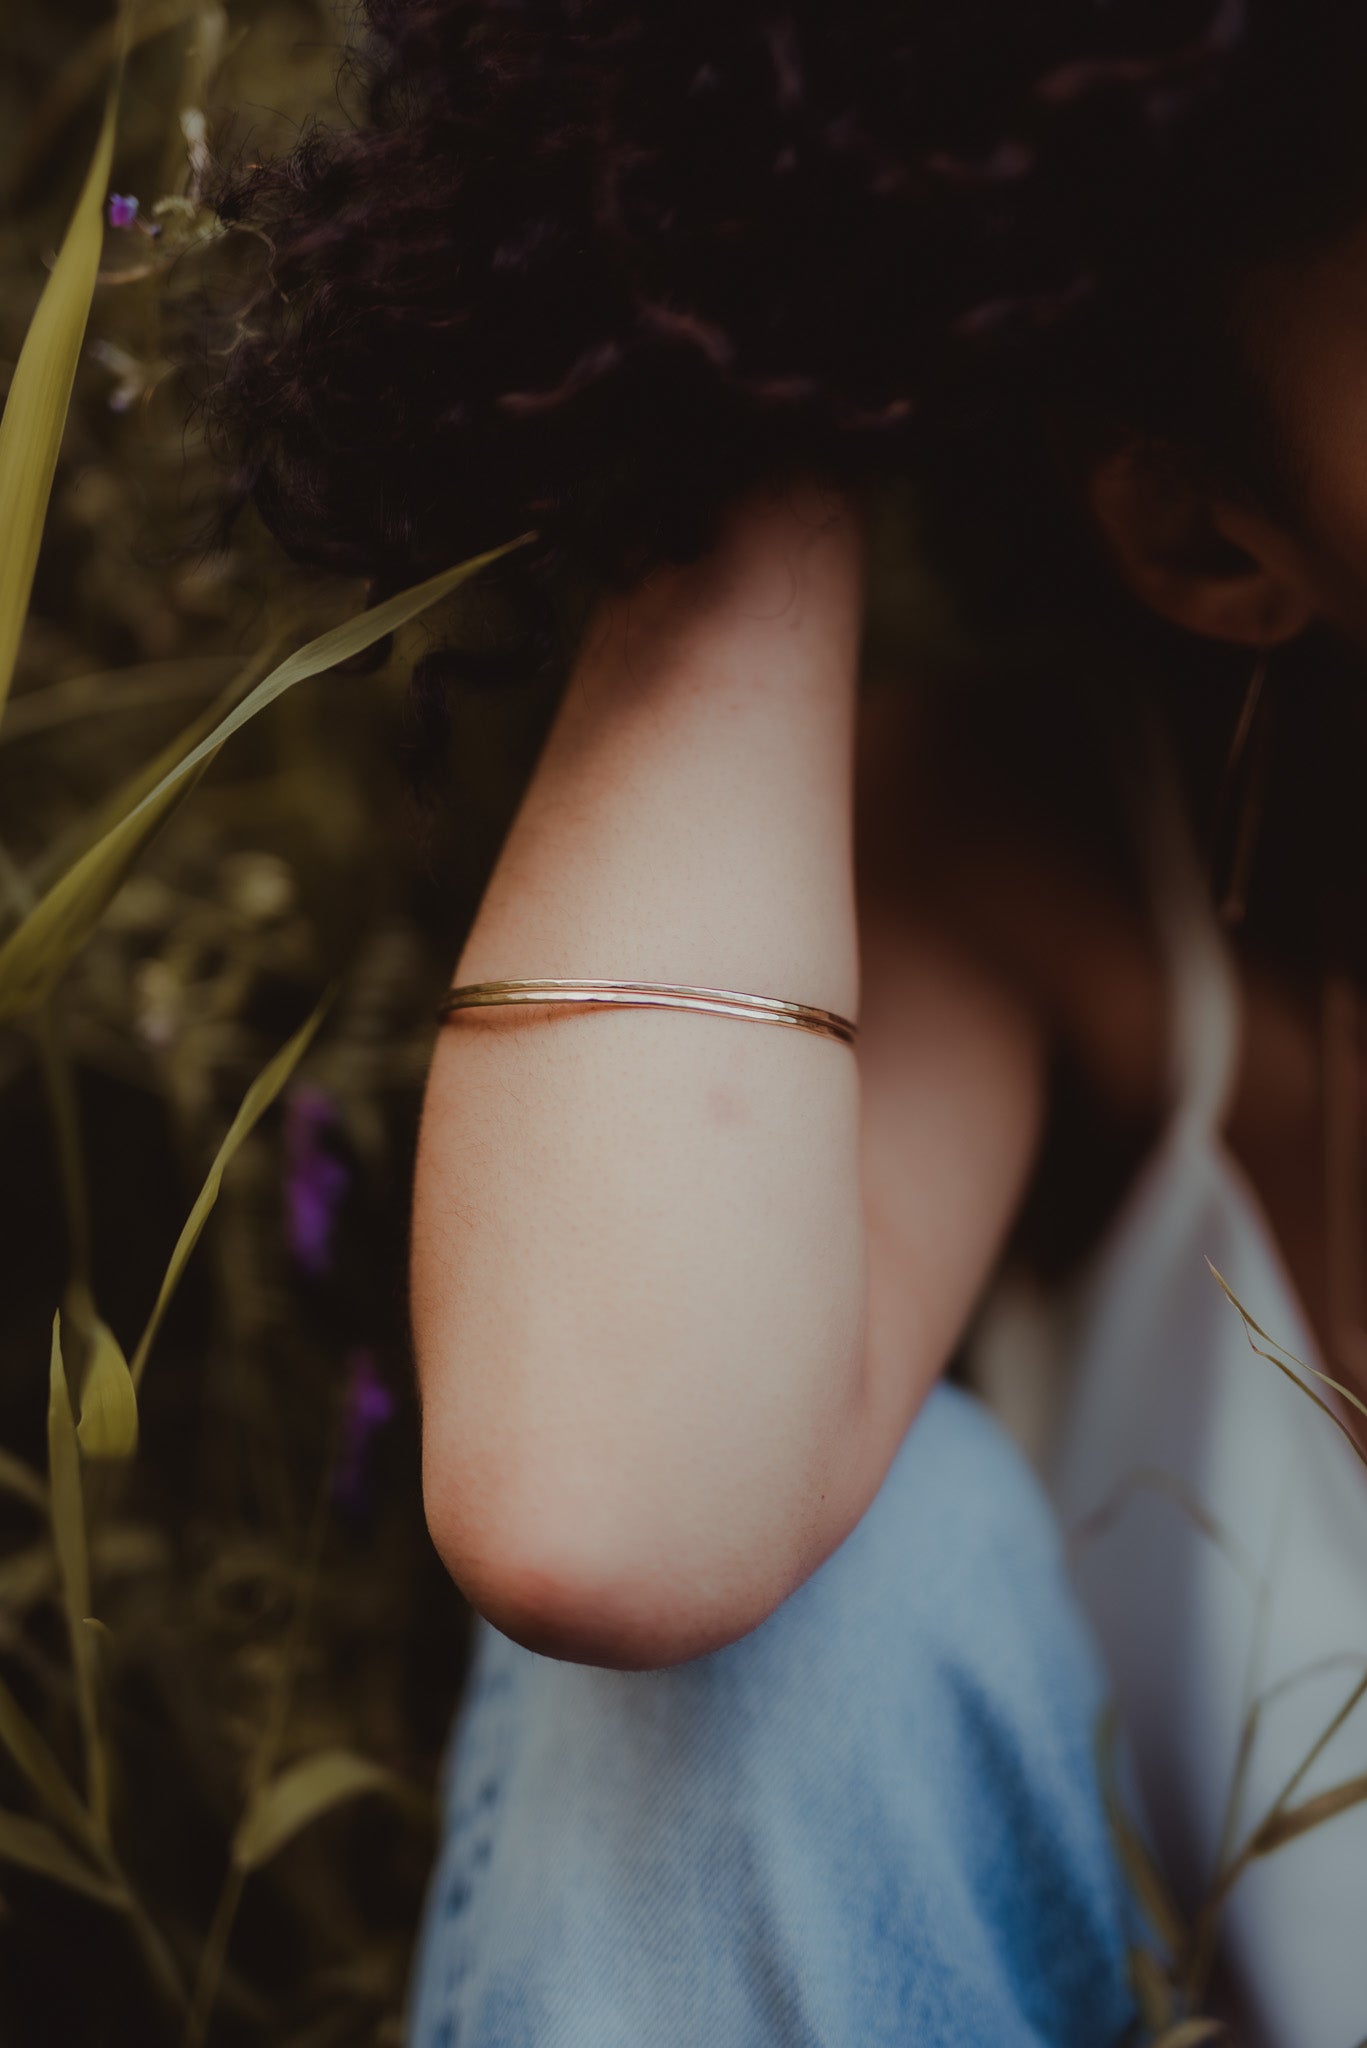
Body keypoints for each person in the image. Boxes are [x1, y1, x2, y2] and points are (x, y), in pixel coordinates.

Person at [198, 3, 1367, 2039]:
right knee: (802, 1627)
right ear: (1207, 533)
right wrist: (764, 339)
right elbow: (611, 1503)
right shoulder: (1051, 871)